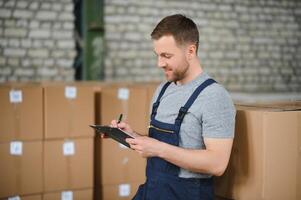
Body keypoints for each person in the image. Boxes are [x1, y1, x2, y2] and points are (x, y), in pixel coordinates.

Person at [109, 14, 236, 200]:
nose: (159, 64)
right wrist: (133, 136)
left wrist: (157, 148)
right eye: (158, 55)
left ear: (191, 51)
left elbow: (217, 164)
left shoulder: (214, 96)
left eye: (166, 56)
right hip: (153, 191)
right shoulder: (163, 90)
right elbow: (158, 145)